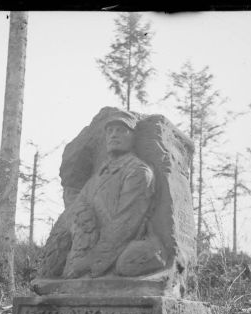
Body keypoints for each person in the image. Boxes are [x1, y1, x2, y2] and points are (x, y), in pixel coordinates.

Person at [40, 110, 166, 279]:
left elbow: (125, 224)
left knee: (127, 265)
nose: (114, 135)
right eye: (110, 131)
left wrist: (90, 261)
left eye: (121, 130)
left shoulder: (138, 172)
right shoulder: (98, 176)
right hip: (93, 249)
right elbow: (74, 213)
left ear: (133, 137)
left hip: (124, 247)